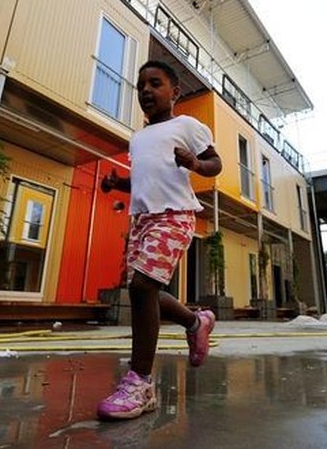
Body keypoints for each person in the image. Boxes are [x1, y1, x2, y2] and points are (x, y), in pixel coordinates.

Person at [97, 60, 223, 420]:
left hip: (175, 215)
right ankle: (197, 322)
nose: (147, 91)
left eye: (156, 83)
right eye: (141, 86)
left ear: (175, 92)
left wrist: (196, 165)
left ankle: (141, 384)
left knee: (140, 288)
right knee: (145, 290)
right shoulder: (137, 138)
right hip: (142, 219)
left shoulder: (186, 126)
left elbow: (216, 163)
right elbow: (143, 179)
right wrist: (116, 184)